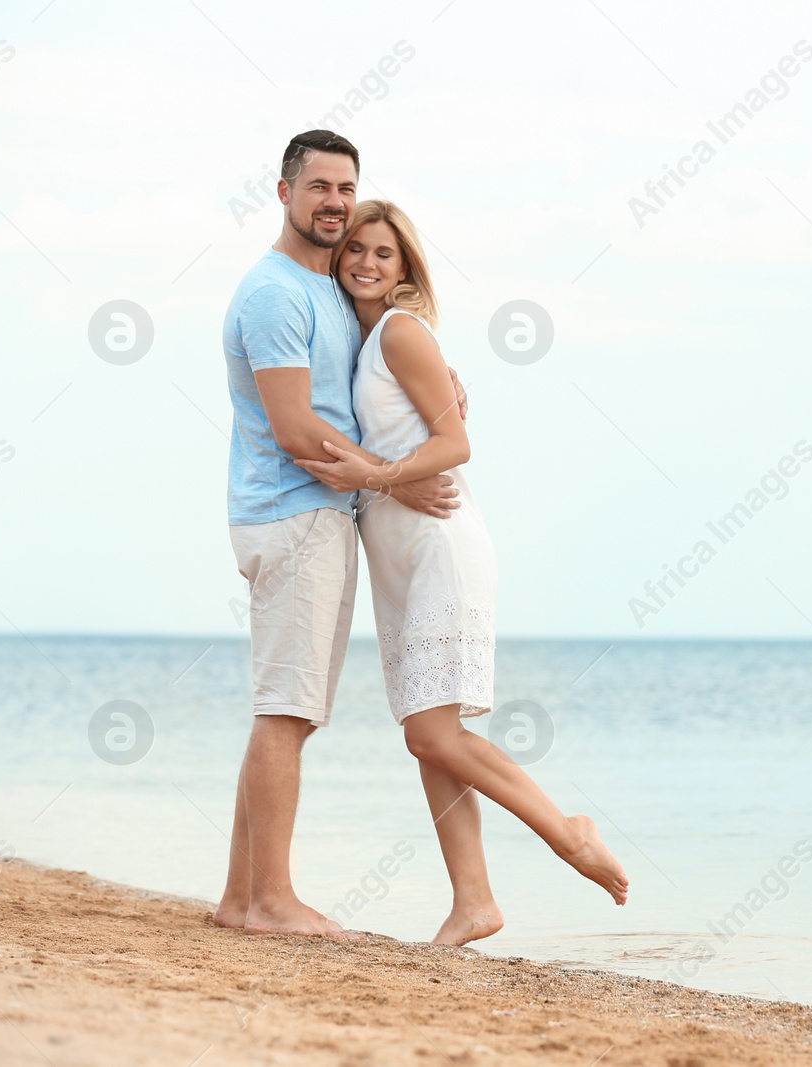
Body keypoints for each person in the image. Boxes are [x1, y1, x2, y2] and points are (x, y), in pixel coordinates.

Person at [295, 199, 628, 944]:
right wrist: (384, 477)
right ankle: (473, 900)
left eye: (384, 253)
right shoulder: (365, 340)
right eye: (355, 250)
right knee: (427, 734)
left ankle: (567, 832)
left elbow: (455, 444)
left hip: (440, 540)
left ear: (406, 266)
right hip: (400, 553)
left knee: (434, 732)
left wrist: (384, 477)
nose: (366, 263)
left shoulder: (403, 332)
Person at [215, 131, 466, 937]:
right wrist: (395, 476)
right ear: (283, 191)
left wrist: (439, 371)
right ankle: (273, 901)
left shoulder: (325, 287)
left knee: (284, 710)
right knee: (286, 711)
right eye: (318, 186)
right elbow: (296, 429)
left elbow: (375, 368)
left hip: (316, 516)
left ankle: (237, 896)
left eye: (345, 188)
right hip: (294, 513)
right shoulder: (275, 294)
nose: (333, 201)